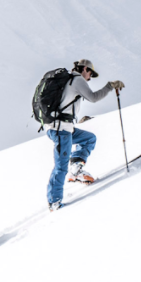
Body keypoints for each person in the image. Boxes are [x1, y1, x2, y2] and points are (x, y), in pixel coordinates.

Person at [46, 59, 125, 210]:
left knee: (89, 138)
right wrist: (109, 86)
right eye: (90, 73)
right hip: (61, 129)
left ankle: (76, 168)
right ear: (84, 69)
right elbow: (93, 98)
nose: (90, 77)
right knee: (60, 167)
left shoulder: (70, 80)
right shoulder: (77, 80)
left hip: (63, 128)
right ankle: (54, 202)